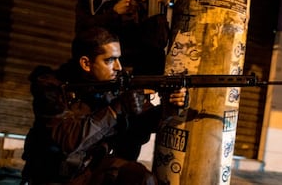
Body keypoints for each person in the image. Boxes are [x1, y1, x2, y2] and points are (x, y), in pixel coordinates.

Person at [21, 27, 187, 184]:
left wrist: (166, 108)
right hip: (53, 177)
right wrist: (116, 109)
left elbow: (134, 132)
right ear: (86, 63)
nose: (118, 67)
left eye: (118, 59)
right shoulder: (51, 89)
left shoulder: (109, 87)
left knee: (140, 178)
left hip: (91, 171)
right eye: (110, 60)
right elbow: (69, 141)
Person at [75, 0, 172, 75]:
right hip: (109, 76)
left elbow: (159, 42)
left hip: (143, 75)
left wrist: (159, 6)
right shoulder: (86, 6)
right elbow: (83, 37)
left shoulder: (139, 2)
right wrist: (115, 13)